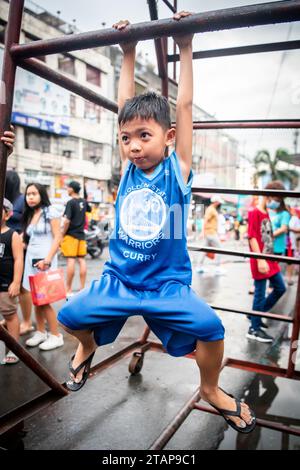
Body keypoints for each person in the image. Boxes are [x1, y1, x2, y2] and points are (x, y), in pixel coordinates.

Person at [57, 12, 255, 434]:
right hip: (119, 280)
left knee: (211, 329)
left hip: (165, 285)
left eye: (144, 136)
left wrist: (185, 46)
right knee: (69, 316)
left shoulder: (176, 170)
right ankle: (87, 348)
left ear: (167, 138)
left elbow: (182, 106)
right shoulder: (126, 169)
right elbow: (123, 107)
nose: (132, 146)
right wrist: (127, 52)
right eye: (127, 139)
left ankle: (209, 388)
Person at [22, 183, 64, 351]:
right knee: (36, 299)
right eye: (27, 194)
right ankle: (41, 332)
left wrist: (47, 259)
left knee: (44, 300)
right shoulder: (32, 213)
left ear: (41, 195)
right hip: (31, 260)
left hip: (44, 261)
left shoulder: (50, 211)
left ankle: (55, 335)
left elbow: (58, 237)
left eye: (34, 193)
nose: (30, 197)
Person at [247, 188, 286, 343]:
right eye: (275, 198)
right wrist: (260, 259)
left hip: (269, 258)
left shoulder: (266, 212)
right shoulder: (254, 212)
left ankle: (256, 315)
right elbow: (252, 237)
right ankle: (254, 329)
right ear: (268, 195)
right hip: (261, 258)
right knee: (260, 293)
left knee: (280, 287)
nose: (276, 202)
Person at [5, 169, 34, 335]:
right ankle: (10, 315)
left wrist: (24, 237)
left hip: (20, 246)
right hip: (6, 246)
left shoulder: (22, 199)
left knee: (22, 286)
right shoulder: (6, 198)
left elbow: (31, 222)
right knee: (10, 284)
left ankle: (27, 321)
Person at [0, 198, 23, 364]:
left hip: (5, 284)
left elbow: (18, 259)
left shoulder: (12, 235)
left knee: (10, 316)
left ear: (7, 214)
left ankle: (14, 348)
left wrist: (16, 282)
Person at [60, 181, 90, 296]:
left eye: (68, 188)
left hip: (71, 235)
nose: (67, 189)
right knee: (82, 260)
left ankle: (68, 289)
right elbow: (89, 210)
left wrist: (62, 234)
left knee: (71, 260)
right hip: (81, 235)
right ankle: (82, 288)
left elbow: (66, 220)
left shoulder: (70, 202)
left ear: (72, 189)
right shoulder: (83, 201)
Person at [195, 195, 226, 275]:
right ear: (216, 201)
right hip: (210, 232)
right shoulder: (211, 210)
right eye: (218, 201)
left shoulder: (211, 209)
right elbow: (205, 220)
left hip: (209, 232)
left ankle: (199, 267)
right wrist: (202, 232)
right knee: (219, 249)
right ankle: (217, 267)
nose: (219, 203)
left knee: (204, 250)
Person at [286, 205, 300, 285]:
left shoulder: (295, 219)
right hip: (286, 244)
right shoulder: (288, 218)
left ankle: (289, 278)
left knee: (289, 262)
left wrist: (288, 229)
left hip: (291, 244)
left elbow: (299, 230)